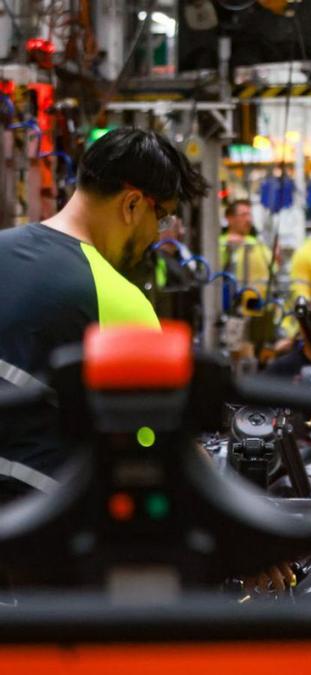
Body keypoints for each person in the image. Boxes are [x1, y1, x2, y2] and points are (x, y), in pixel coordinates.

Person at [0, 128, 208, 502]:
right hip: (38, 530)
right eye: (161, 219)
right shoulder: (117, 298)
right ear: (132, 204)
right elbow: (158, 435)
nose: (156, 237)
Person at [220, 199, 273, 311]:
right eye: (243, 215)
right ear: (230, 218)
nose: (248, 219)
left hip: (259, 303)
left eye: (250, 215)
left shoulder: (257, 242)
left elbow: (272, 267)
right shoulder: (220, 242)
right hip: (232, 304)